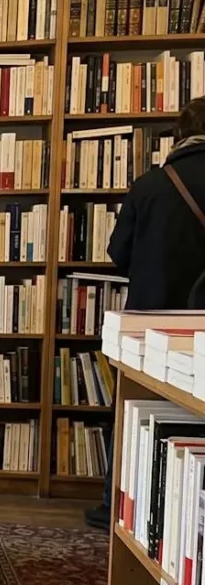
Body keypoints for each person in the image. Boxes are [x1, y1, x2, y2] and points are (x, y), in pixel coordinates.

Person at [89, 97, 205, 531]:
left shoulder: (152, 185)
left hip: (153, 321)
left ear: (180, 135)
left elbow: (119, 253)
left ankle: (123, 507)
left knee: (138, 413)